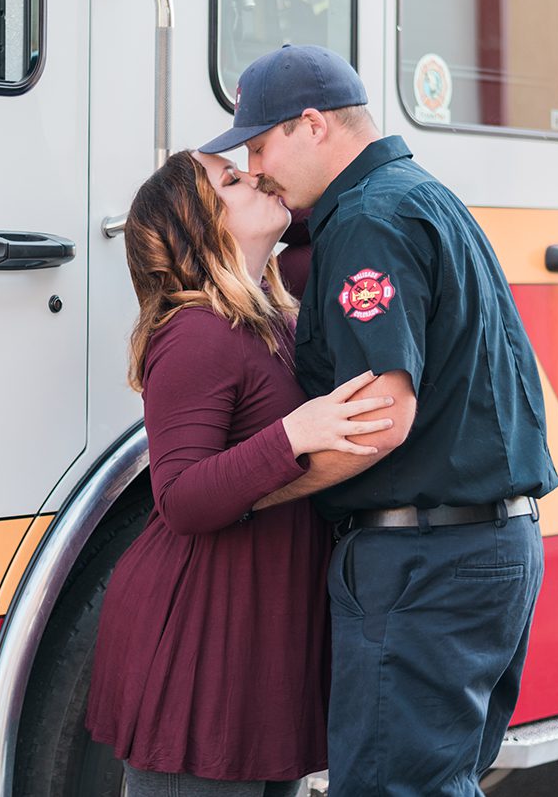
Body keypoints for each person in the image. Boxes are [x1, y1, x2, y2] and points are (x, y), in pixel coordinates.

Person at [200, 44, 558, 796]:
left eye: (260, 145)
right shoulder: (420, 195)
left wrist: (253, 491)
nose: (258, 168)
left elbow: (381, 418)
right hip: (485, 548)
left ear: (311, 125)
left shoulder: (367, 219)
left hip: (425, 562)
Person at [86, 149, 396, 797]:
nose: (256, 176)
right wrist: (294, 434)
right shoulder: (196, 332)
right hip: (199, 653)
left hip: (255, 650)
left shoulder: (270, 318)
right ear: (200, 226)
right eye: (232, 179)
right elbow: (181, 497)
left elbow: (323, 226)